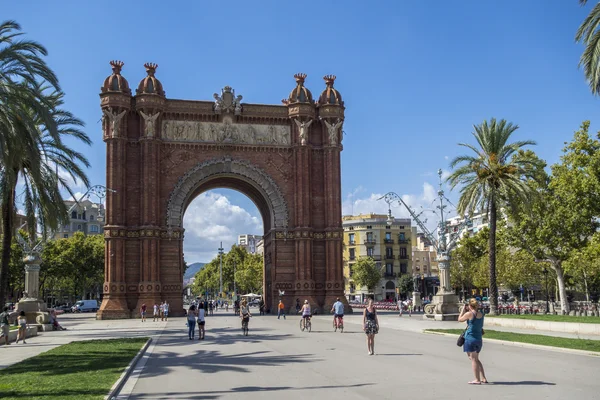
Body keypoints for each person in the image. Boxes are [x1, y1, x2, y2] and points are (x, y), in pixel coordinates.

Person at [458, 298, 488, 384]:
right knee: (476, 359)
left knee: (473, 359)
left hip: (470, 339)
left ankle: (477, 379)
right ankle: (483, 378)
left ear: (469, 306)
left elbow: (459, 319)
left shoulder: (469, 314)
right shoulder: (481, 314)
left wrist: (463, 310)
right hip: (478, 339)